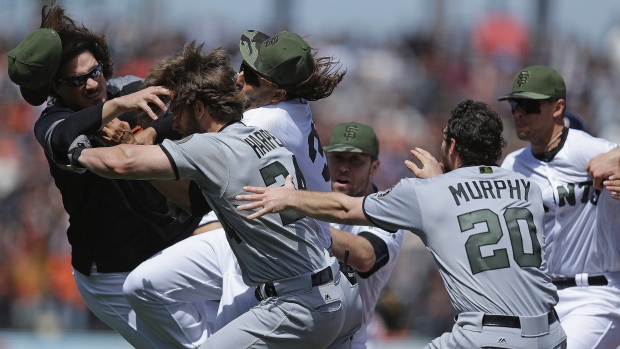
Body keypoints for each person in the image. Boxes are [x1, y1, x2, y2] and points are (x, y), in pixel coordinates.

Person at [71, 41, 362, 349]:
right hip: (318, 273)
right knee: (145, 285)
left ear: (277, 93)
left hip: (291, 279)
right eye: (243, 69)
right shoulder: (284, 114)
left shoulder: (260, 122)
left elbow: (163, 174)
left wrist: (90, 150)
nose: (238, 80)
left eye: (251, 78)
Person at [237, 99, 567, 349]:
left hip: (488, 336)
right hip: (552, 333)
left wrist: (290, 198)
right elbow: (477, 198)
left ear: (451, 145)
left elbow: (344, 209)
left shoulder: (428, 193)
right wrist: (442, 183)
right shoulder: (527, 188)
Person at [7, 3, 200, 348]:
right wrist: (116, 108)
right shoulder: (52, 122)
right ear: (57, 87)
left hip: (172, 249)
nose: (93, 83)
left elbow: (185, 112)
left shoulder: (126, 88)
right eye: (77, 80)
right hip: (114, 274)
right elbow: (66, 136)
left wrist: (148, 135)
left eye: (94, 71)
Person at [498, 65, 620, 348]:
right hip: (540, 298)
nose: (518, 112)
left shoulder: (585, 148)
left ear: (558, 107)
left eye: (529, 104)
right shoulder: (512, 165)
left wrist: (616, 158)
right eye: (515, 104)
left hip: (597, 294)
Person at [323, 121, 404, 349]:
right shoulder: (315, 201)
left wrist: (309, 228)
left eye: (355, 161)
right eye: (337, 158)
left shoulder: (387, 214)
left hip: (345, 343)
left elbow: (365, 256)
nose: (343, 167)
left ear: (374, 167)